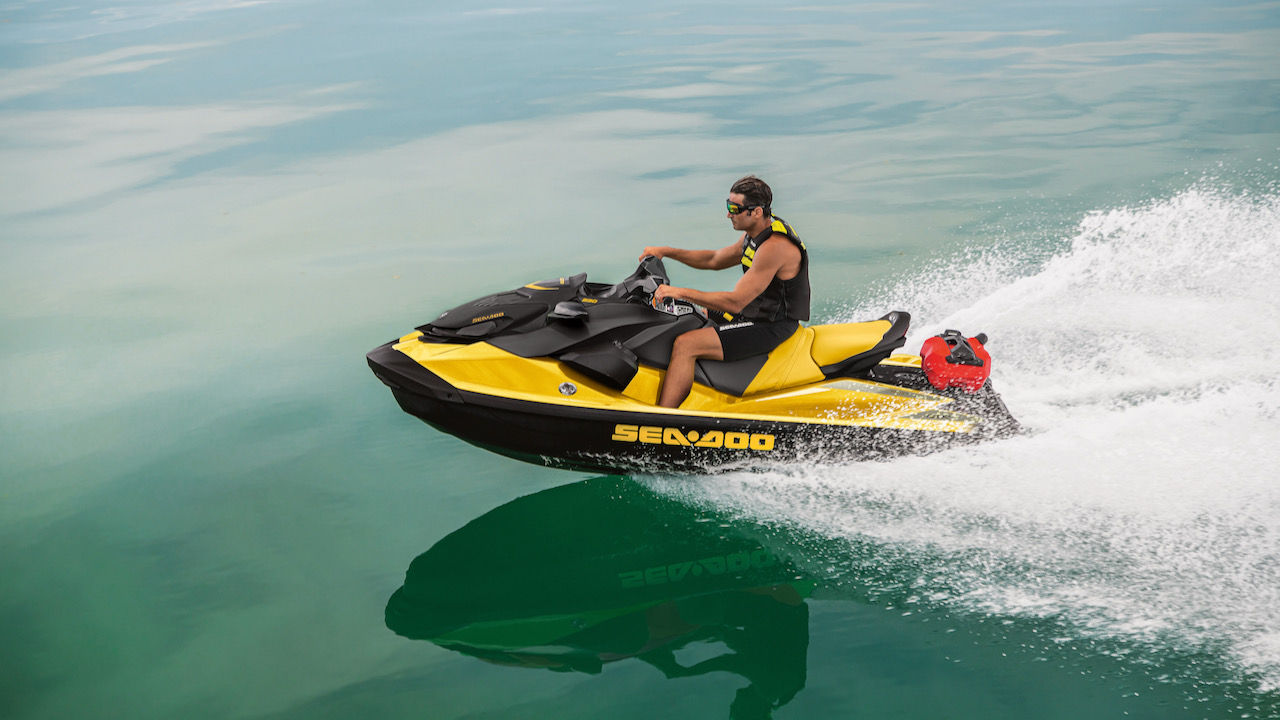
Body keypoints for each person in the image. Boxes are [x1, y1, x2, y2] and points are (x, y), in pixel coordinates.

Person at [640, 175, 810, 408]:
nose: (728, 214)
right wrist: (667, 251)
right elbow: (714, 259)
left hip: (770, 326)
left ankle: (662, 417)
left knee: (686, 344)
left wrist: (680, 291)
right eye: (727, 206)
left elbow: (735, 302)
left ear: (757, 212)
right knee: (689, 314)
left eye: (734, 208)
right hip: (752, 314)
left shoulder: (775, 247)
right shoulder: (755, 234)